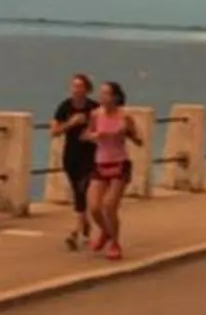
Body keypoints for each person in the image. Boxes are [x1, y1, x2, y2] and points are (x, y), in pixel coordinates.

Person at [85, 81, 143, 261]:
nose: (102, 98)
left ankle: (115, 243)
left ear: (116, 97)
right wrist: (96, 136)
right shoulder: (95, 114)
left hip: (119, 163)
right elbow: (86, 135)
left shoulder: (125, 117)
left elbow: (139, 140)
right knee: (94, 207)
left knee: (109, 205)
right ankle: (105, 231)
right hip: (101, 162)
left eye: (106, 94)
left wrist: (127, 132)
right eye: (101, 94)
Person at [51, 71, 97, 249]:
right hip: (71, 154)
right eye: (74, 86)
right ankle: (85, 225)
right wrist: (71, 123)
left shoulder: (94, 108)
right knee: (78, 191)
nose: (76, 90)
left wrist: (91, 135)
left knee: (83, 188)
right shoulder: (65, 107)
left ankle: (75, 232)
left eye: (80, 86)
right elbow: (54, 132)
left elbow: (102, 130)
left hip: (91, 155)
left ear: (87, 89)